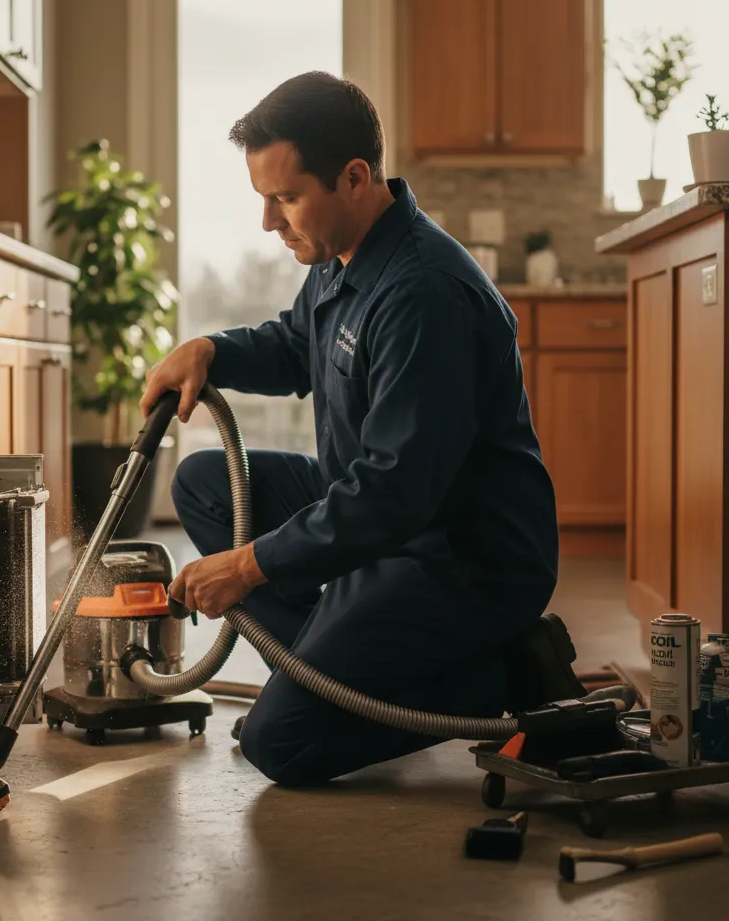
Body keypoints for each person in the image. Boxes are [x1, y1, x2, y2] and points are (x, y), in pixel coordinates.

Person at [139, 71, 565, 787]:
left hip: (460, 560)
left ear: (355, 178)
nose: (269, 222)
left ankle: (500, 672)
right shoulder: (343, 253)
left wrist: (247, 566)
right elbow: (294, 344)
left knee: (282, 744)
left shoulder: (424, 293)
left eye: (284, 198)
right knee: (205, 483)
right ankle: (330, 662)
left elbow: (393, 494)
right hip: (383, 521)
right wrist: (210, 350)